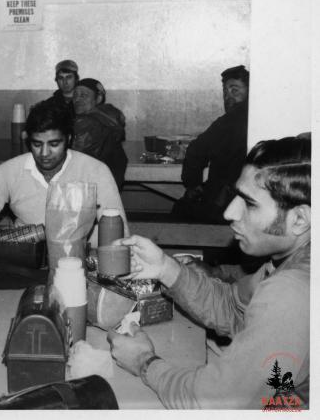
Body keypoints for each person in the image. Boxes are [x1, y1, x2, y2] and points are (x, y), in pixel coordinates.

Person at [107, 136, 309, 409]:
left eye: (249, 204)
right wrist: (166, 268)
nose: (229, 212)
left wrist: (144, 362)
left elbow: (213, 403)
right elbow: (233, 308)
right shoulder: (288, 260)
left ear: (299, 219)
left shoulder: (292, 290)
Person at [0, 99, 126, 244]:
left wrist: (60, 238)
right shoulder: (10, 171)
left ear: (68, 139)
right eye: (37, 144)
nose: (44, 153)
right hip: (25, 256)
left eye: (54, 144)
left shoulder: (95, 171)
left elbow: (120, 233)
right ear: (28, 140)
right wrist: (12, 238)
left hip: (79, 258)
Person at [173, 65, 250, 223]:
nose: (227, 97)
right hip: (244, 203)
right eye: (225, 91)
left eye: (234, 90)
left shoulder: (230, 121)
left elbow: (196, 151)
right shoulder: (256, 118)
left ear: (251, 91)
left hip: (221, 205)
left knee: (179, 210)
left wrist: (193, 186)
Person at [72, 78, 128, 189]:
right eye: (75, 95)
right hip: (108, 184)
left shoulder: (86, 123)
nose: (77, 99)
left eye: (84, 95)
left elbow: (75, 158)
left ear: (98, 99)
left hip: (88, 185)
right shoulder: (109, 119)